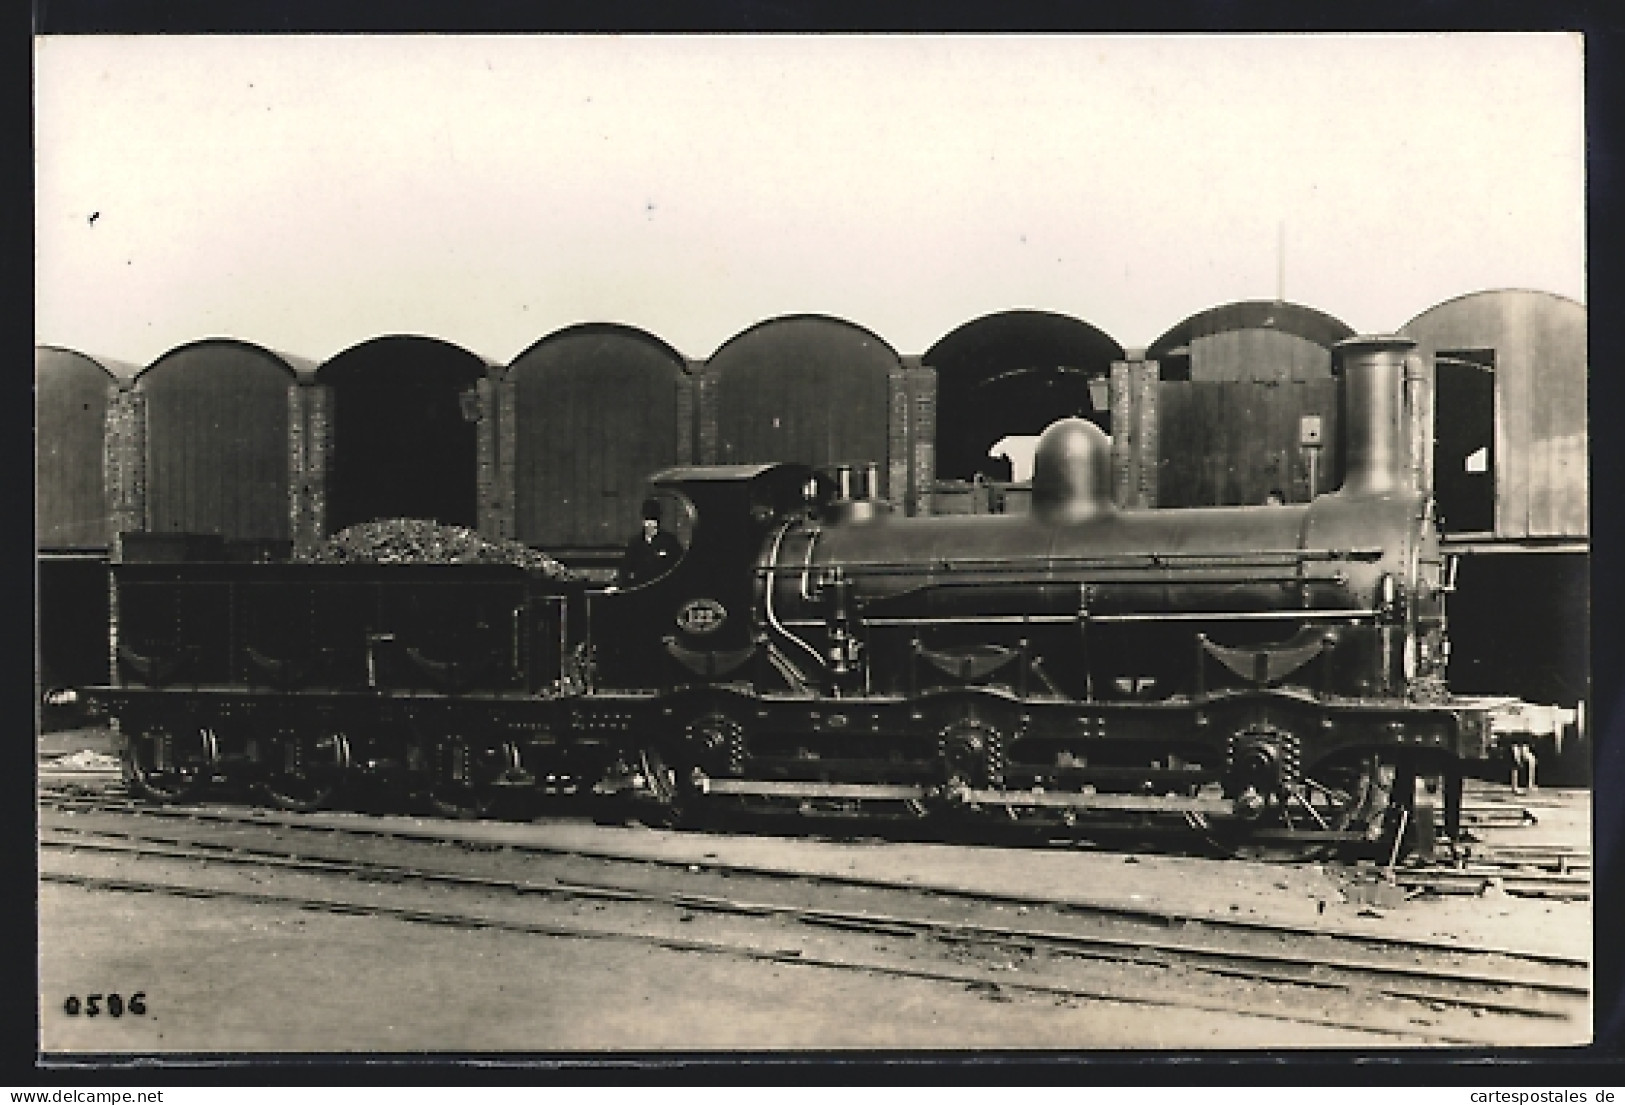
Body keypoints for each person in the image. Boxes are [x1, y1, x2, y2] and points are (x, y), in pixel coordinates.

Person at [617, 498, 683, 586]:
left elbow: (680, 567)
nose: (650, 524)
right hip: (640, 588)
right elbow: (625, 569)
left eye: (654, 520)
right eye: (647, 520)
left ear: (658, 522)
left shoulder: (670, 541)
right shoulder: (635, 543)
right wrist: (617, 585)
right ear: (643, 521)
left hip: (664, 588)